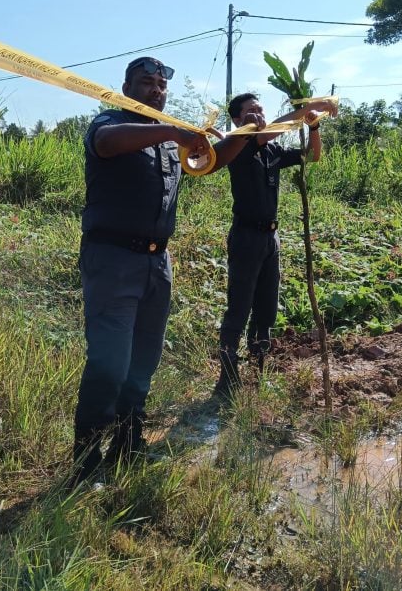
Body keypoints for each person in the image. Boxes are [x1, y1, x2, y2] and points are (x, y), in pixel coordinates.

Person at [73, 56, 257, 483]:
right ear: (126, 87)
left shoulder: (168, 143)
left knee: (144, 359)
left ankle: (128, 444)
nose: (156, 90)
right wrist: (174, 130)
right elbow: (106, 143)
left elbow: (213, 160)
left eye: (160, 84)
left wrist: (247, 130)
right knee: (110, 362)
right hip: (113, 260)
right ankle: (86, 462)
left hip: (158, 263)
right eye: (145, 83)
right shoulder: (109, 123)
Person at [214, 92, 335, 400]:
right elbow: (271, 130)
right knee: (239, 306)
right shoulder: (237, 146)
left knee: (266, 307)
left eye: (261, 109)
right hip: (245, 237)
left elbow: (312, 156)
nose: (259, 115)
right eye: (251, 111)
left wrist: (314, 126)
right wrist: (307, 109)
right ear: (238, 120)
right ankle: (227, 377)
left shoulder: (272, 150)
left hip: (271, 238)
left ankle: (260, 368)